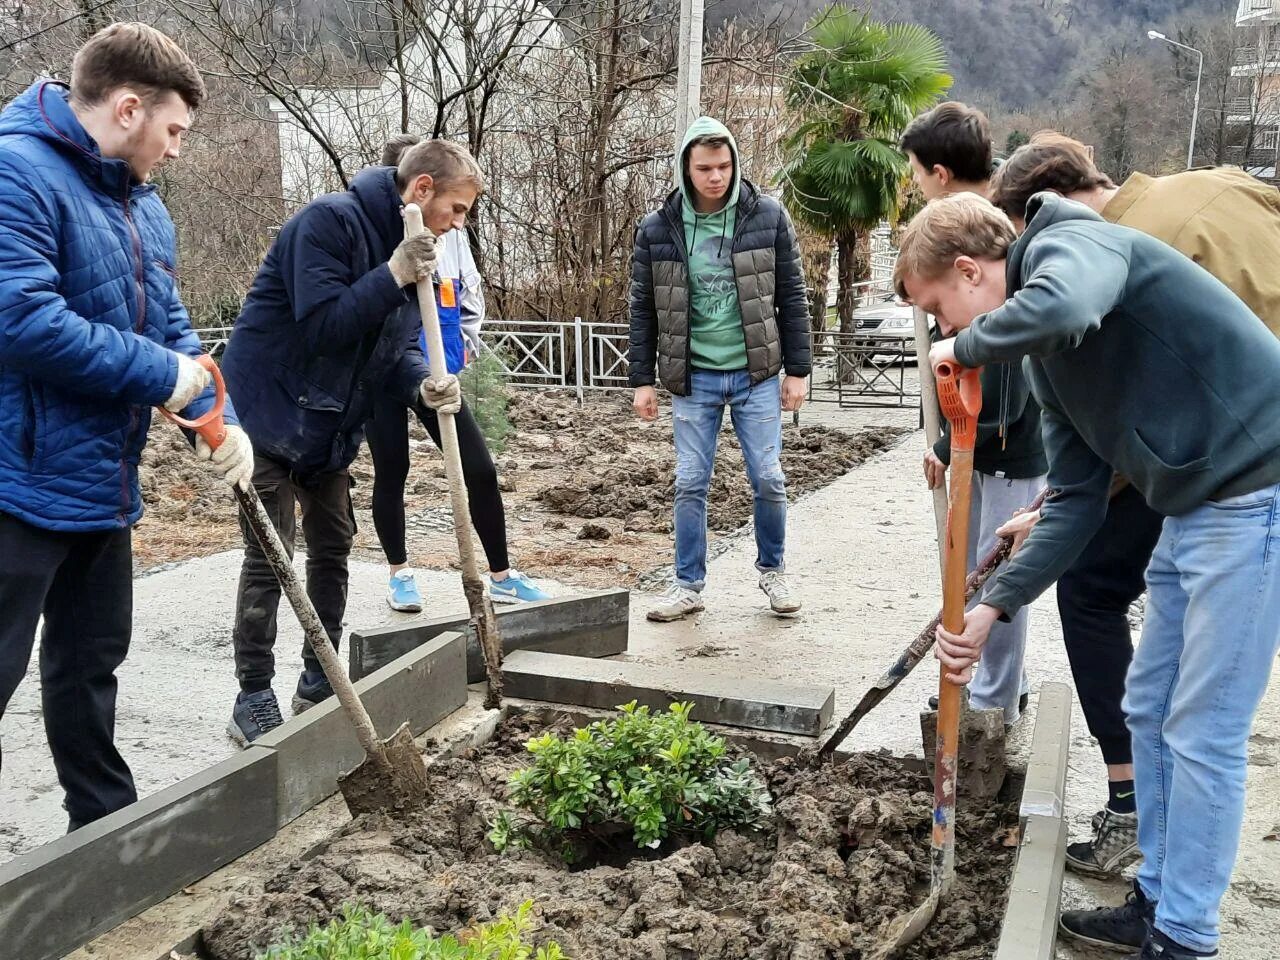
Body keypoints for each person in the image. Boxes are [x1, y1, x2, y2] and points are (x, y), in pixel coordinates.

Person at [896, 191, 1280, 960]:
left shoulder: (1072, 245)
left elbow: (1067, 305)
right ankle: (1160, 894)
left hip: (1257, 491)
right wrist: (991, 609)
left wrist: (962, 354)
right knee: (1150, 704)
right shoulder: (1049, 371)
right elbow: (1073, 503)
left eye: (941, 310)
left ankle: (1186, 936)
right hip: (1193, 506)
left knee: (1203, 728)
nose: (944, 331)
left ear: (972, 270)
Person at [985, 132, 1280, 880]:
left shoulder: (1103, 244)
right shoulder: (1211, 185)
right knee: (1154, 700)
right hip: (1208, 471)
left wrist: (962, 351)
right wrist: (1022, 561)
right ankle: (1152, 878)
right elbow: (1109, 445)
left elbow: (1123, 386)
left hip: (1245, 475)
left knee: (1189, 709)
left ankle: (1164, 891)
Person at [0, 24, 251, 829]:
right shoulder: (16, 171)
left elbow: (168, 324)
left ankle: (104, 828)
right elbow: (22, 319)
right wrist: (163, 377)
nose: (177, 150)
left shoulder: (139, 202)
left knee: (89, 666)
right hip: (16, 476)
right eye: (173, 130)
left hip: (99, 477)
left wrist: (216, 419)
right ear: (129, 107)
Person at [221, 139, 481, 744]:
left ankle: (320, 682)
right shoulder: (328, 223)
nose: (458, 224)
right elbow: (324, 329)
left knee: (334, 546)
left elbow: (398, 351)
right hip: (269, 416)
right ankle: (253, 694)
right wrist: (391, 273)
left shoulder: (426, 252)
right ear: (421, 190)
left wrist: (424, 385)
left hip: (331, 425)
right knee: (271, 554)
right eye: (457, 209)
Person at [628, 116, 810, 622]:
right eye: (705, 167)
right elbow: (642, 307)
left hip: (756, 374)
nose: (716, 176)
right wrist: (642, 379)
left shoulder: (767, 217)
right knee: (690, 482)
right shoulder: (657, 227)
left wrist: (798, 369)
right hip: (694, 378)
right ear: (686, 168)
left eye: (724, 165)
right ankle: (688, 584)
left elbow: (792, 296)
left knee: (769, 478)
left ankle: (773, 571)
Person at [901, 102, 1046, 724]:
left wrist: (950, 443)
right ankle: (976, 693)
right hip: (988, 450)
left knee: (997, 581)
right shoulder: (979, 261)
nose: (943, 326)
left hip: (1011, 455)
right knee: (981, 573)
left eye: (940, 308)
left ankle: (990, 704)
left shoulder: (1004, 284)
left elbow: (1010, 394)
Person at [364, 135, 548, 614]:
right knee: (393, 469)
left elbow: (468, 293)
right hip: (384, 369)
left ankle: (502, 575)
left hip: (437, 365)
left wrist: (461, 345)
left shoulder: (453, 231)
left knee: (479, 468)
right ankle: (400, 573)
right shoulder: (370, 233)